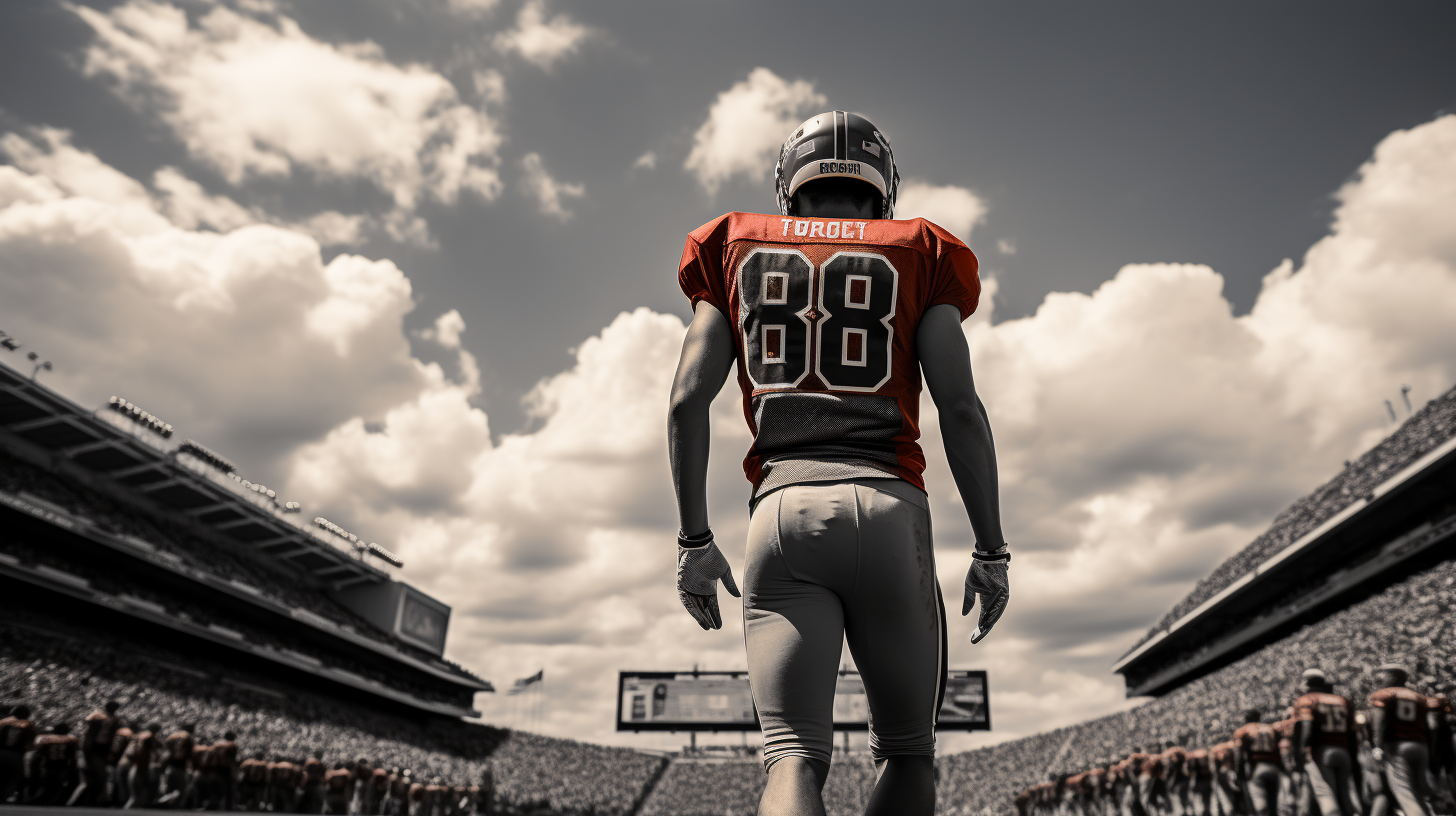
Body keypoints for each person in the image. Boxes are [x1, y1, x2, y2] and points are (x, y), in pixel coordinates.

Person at [668, 109, 1007, 816]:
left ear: (790, 183)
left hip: (782, 512)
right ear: (883, 186)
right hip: (888, 505)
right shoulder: (924, 248)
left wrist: (695, 542)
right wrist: (991, 549)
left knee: (792, 758)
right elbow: (963, 410)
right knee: (909, 755)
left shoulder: (732, 243)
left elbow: (684, 403)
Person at [1367, 663, 1434, 816]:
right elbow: (1429, 725)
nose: (1380, 677)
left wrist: (1377, 746)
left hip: (1397, 746)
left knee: (1405, 792)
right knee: (1420, 792)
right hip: (1420, 745)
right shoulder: (1418, 697)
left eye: (1384, 674)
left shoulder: (1383, 694)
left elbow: (1379, 720)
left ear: (1392, 676)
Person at [1291, 669, 1359, 816]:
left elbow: (1306, 727)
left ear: (1307, 682)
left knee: (1326, 793)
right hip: (1343, 750)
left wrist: (1301, 752)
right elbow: (1352, 731)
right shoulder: (1341, 700)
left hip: (1322, 751)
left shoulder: (1307, 700)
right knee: (1347, 792)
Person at [69, 699, 120, 806]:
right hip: (94, 750)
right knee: (94, 779)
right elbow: (91, 735)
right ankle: (82, 802)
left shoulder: (111, 718)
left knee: (94, 780)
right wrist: (87, 751)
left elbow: (109, 737)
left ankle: (86, 802)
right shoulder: (100, 717)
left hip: (98, 750)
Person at [1234, 710, 1283, 816]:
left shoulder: (1243, 731)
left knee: (1260, 804)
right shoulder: (1270, 728)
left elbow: (1239, 755)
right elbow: (1279, 748)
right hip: (1274, 767)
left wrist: (1239, 773)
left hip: (1256, 767)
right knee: (1274, 804)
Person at [28, 722, 79, 805]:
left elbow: (39, 753)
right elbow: (72, 756)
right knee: (58, 786)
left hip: (47, 766)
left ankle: (36, 800)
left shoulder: (45, 739)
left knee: (45, 786)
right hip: (61, 767)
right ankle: (55, 802)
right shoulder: (71, 740)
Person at [0, 703, 36, 803]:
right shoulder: (29, 725)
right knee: (13, 777)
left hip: (1, 751)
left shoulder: (3, 722)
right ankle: (6, 797)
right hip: (16, 755)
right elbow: (30, 745)